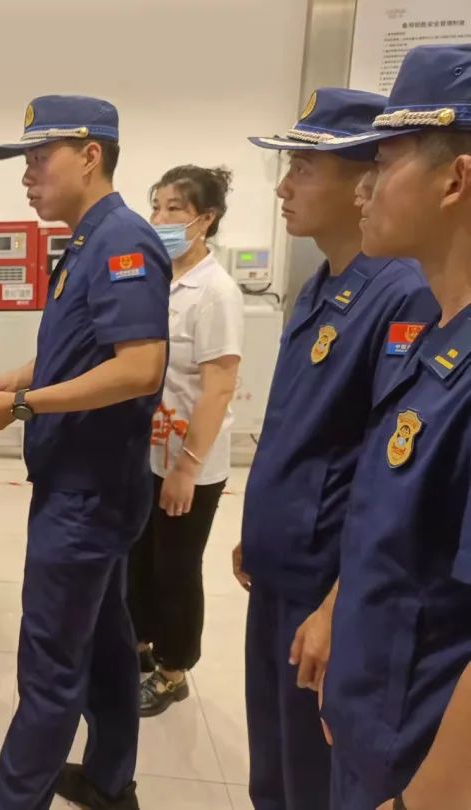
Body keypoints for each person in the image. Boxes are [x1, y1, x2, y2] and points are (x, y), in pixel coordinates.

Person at [0, 95, 170, 810]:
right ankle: (109, 781)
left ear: (91, 156)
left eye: (40, 158)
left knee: (49, 671)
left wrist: (20, 407)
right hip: (85, 487)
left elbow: (139, 368)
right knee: (105, 642)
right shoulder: (85, 242)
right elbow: (71, 354)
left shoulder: (122, 242)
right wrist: (5, 383)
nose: (28, 175)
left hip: (87, 494)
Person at [238, 88, 437, 810]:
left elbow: (390, 471)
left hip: (324, 585)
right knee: (273, 771)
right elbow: (301, 429)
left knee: (310, 780)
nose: (284, 188)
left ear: (364, 180)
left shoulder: (403, 296)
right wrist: (259, 530)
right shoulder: (321, 285)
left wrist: (334, 601)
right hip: (281, 571)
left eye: (303, 169)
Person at [311, 43, 471, 810]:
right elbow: (395, 531)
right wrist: (338, 619)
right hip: (375, 718)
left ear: (456, 179)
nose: (363, 188)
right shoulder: (438, 336)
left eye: (384, 162)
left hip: (420, 761)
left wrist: (420, 802)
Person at [128, 165, 244, 717]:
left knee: (175, 568)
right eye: (156, 206)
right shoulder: (157, 279)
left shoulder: (216, 292)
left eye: (175, 209)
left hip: (189, 460)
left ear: (206, 219)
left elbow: (218, 387)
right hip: (149, 450)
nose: (160, 219)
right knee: (140, 558)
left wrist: (186, 468)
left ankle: (173, 671)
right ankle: (140, 647)